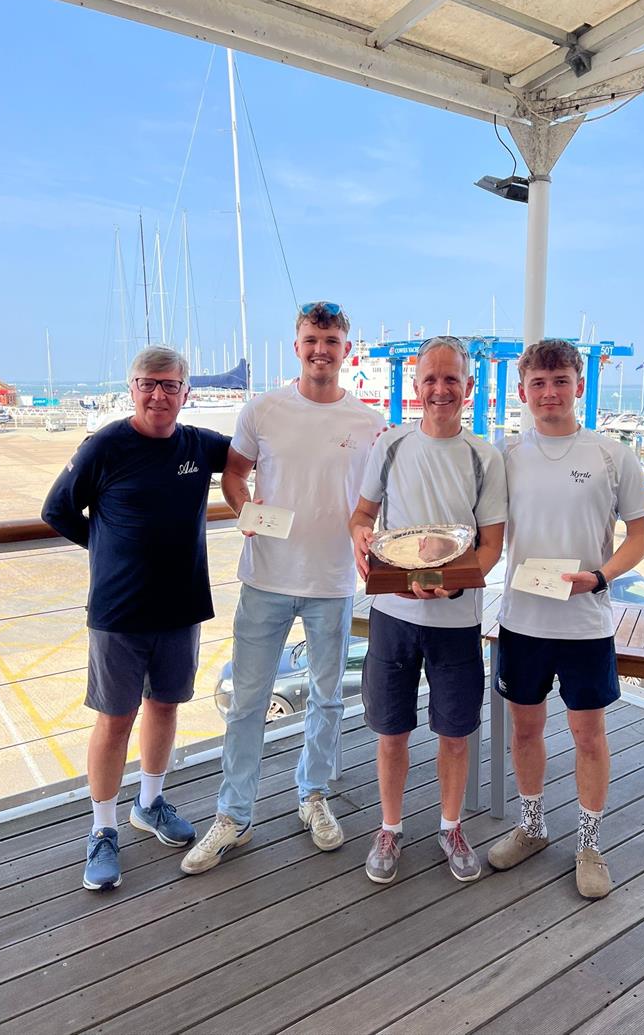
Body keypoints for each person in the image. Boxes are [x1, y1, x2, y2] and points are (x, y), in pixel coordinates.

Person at [181, 302, 386, 874]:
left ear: (347, 349)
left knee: (326, 698)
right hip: (266, 577)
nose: (321, 350)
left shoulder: (369, 424)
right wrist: (245, 509)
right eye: (311, 339)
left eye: (331, 340)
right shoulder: (263, 409)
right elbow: (234, 476)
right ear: (296, 345)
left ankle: (313, 795)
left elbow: (376, 504)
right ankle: (234, 815)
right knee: (247, 701)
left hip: (332, 582)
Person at [42, 345, 235, 891]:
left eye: (170, 385)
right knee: (114, 719)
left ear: (186, 394)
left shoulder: (199, 445)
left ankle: (149, 803)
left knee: (166, 706)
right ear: (132, 389)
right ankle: (103, 828)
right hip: (119, 612)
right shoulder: (105, 445)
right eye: (148, 384)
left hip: (181, 607)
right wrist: (105, 548)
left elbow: (256, 456)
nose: (158, 394)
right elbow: (56, 511)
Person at [487, 339, 644, 899]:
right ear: (523, 392)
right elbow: (480, 530)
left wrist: (602, 578)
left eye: (560, 381)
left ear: (579, 386)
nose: (549, 392)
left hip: (585, 621)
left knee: (588, 734)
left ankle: (589, 842)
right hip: (523, 619)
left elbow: (642, 534)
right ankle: (532, 826)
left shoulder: (611, 454)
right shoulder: (506, 455)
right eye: (538, 383)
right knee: (526, 728)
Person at [350, 336, 507, 885]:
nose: (440, 389)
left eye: (451, 379)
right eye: (430, 380)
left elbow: (491, 546)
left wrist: (457, 583)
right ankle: (389, 827)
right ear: (416, 388)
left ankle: (450, 825)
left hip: (457, 622)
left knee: (455, 732)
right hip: (393, 617)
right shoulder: (390, 446)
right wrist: (361, 544)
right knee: (390, 731)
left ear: (468, 388)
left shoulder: (485, 457)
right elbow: (361, 518)